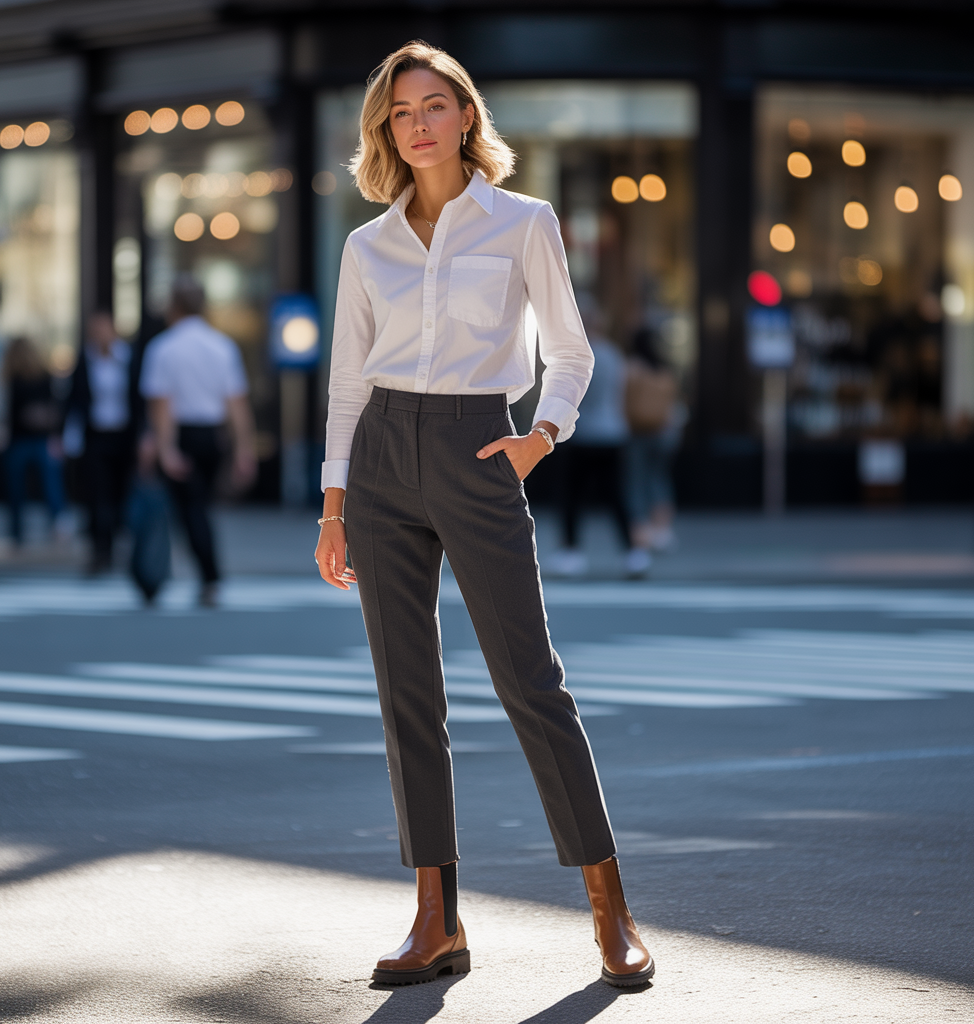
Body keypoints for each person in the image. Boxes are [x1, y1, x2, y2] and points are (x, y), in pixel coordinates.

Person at [315, 41, 654, 989]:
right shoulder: (366, 244)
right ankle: (436, 919)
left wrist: (539, 436)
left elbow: (571, 351)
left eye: (434, 106)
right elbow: (346, 380)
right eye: (399, 111)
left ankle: (610, 910)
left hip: (477, 447)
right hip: (382, 457)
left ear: (467, 115)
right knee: (405, 694)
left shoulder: (521, 222)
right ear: (386, 129)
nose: (417, 124)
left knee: (529, 680)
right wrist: (334, 503)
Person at [139, 276, 257, 607]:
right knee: (199, 507)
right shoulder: (222, 346)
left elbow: (161, 405)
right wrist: (244, 449)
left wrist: (165, 448)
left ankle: (206, 577)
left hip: (182, 434)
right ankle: (205, 577)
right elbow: (237, 404)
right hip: (212, 435)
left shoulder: (163, 348)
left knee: (188, 511)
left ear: (173, 306)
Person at [550, 294, 651, 578]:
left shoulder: (580, 357)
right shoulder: (614, 354)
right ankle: (634, 552)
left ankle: (571, 552)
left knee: (572, 496)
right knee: (616, 495)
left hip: (582, 435)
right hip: (613, 432)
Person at [64, 311, 141, 574]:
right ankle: (100, 550)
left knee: (122, 492)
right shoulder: (85, 360)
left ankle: (121, 544)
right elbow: (73, 400)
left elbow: (141, 399)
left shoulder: (129, 358)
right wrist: (64, 436)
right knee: (96, 495)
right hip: (95, 436)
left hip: (124, 436)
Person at [1, 336, 67, 546]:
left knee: (29, 484)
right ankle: (54, 524)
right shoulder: (16, 379)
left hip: (30, 440)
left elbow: (53, 409)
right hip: (27, 440)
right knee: (39, 482)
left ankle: (20, 530)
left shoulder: (37, 378)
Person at [625, 328, 681, 552]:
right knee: (659, 479)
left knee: (636, 481)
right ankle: (663, 531)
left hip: (637, 432)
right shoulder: (665, 370)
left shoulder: (633, 368)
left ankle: (642, 533)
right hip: (664, 432)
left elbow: (624, 400)